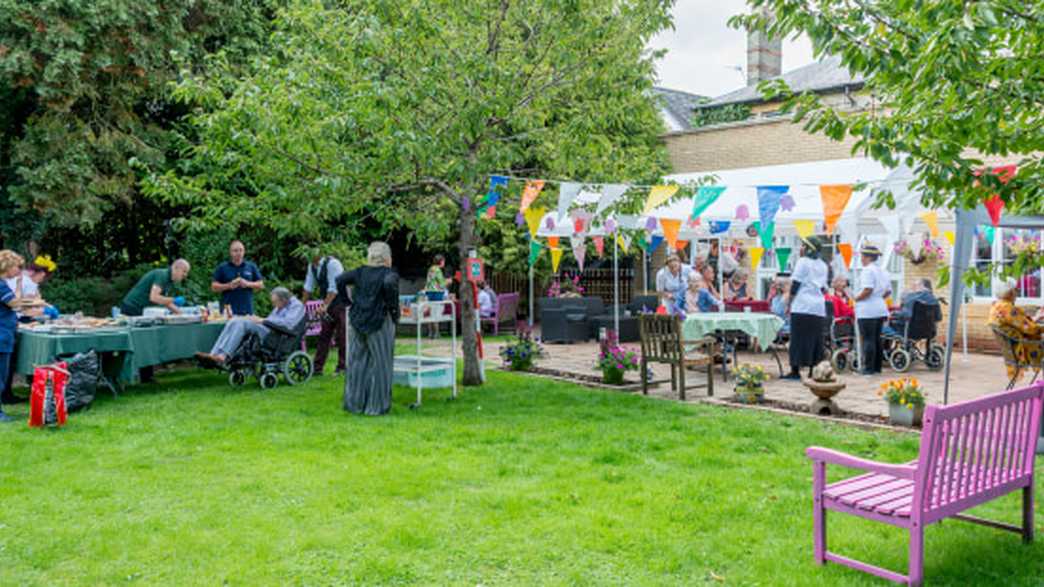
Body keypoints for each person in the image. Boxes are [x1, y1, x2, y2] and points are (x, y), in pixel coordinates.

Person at [339, 241, 400, 416]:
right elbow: (389, 285)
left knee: (357, 363)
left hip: (357, 320)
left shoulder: (360, 272)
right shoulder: (389, 274)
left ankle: (354, 405)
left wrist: (347, 302)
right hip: (380, 321)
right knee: (381, 364)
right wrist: (394, 313)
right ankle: (376, 407)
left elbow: (340, 279)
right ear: (387, 258)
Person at [121, 260, 191, 382]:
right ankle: (133, 376)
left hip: (140, 310)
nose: (185, 275)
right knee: (140, 341)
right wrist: (174, 300)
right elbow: (154, 297)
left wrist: (182, 314)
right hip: (132, 308)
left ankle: (146, 377)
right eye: (184, 272)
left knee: (146, 340)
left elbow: (164, 301)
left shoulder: (168, 280)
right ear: (176, 268)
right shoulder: (162, 275)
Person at [196, 287, 305, 366]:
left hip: (276, 334)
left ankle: (223, 356)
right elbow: (271, 320)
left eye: (275, 302)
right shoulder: (281, 306)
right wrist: (257, 318)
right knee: (234, 320)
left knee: (241, 323)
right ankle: (213, 354)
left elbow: (288, 324)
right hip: (269, 328)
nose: (274, 305)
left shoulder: (297, 306)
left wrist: (262, 320)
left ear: (284, 300)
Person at [784, 238, 829, 380]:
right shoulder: (823, 265)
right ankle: (813, 370)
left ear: (808, 249)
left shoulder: (802, 262)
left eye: (803, 245)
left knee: (797, 339)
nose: (801, 248)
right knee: (815, 340)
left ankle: (795, 371)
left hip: (802, 305)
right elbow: (823, 288)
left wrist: (789, 302)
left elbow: (795, 284)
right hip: (818, 307)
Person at [988, 278, 1044, 381]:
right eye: (1016, 290)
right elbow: (1030, 329)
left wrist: (1036, 318)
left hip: (1012, 348)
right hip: (1023, 348)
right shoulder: (1008, 308)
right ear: (1009, 292)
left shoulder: (996, 306)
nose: (1017, 293)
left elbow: (1020, 324)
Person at [0, 250, 33, 421]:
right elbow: (15, 304)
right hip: (2, 334)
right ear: (7, 266)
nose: (18, 269)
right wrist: (20, 285)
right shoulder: (1, 285)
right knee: (0, 376)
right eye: (16, 266)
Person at [302, 253, 346, 376]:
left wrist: (324, 305)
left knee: (342, 336)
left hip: (341, 303)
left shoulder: (333, 264)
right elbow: (308, 287)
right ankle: (316, 368)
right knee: (324, 335)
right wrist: (301, 306)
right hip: (328, 303)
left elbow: (335, 287)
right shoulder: (312, 267)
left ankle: (342, 367)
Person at [854, 244, 892, 375]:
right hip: (880, 307)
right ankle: (877, 367)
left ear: (868, 257)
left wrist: (856, 298)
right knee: (876, 338)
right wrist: (877, 297)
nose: (861, 259)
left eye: (862, 256)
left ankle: (868, 368)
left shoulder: (867, 270)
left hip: (868, 309)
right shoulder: (883, 271)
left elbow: (867, 289)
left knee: (868, 339)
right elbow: (888, 292)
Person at [211, 240, 264, 316]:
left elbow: (261, 284)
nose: (239, 253)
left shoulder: (251, 266)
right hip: (228, 311)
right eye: (235, 251)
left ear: (244, 251)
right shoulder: (222, 267)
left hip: (247, 311)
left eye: (241, 250)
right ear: (230, 252)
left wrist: (247, 284)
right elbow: (213, 287)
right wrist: (229, 285)